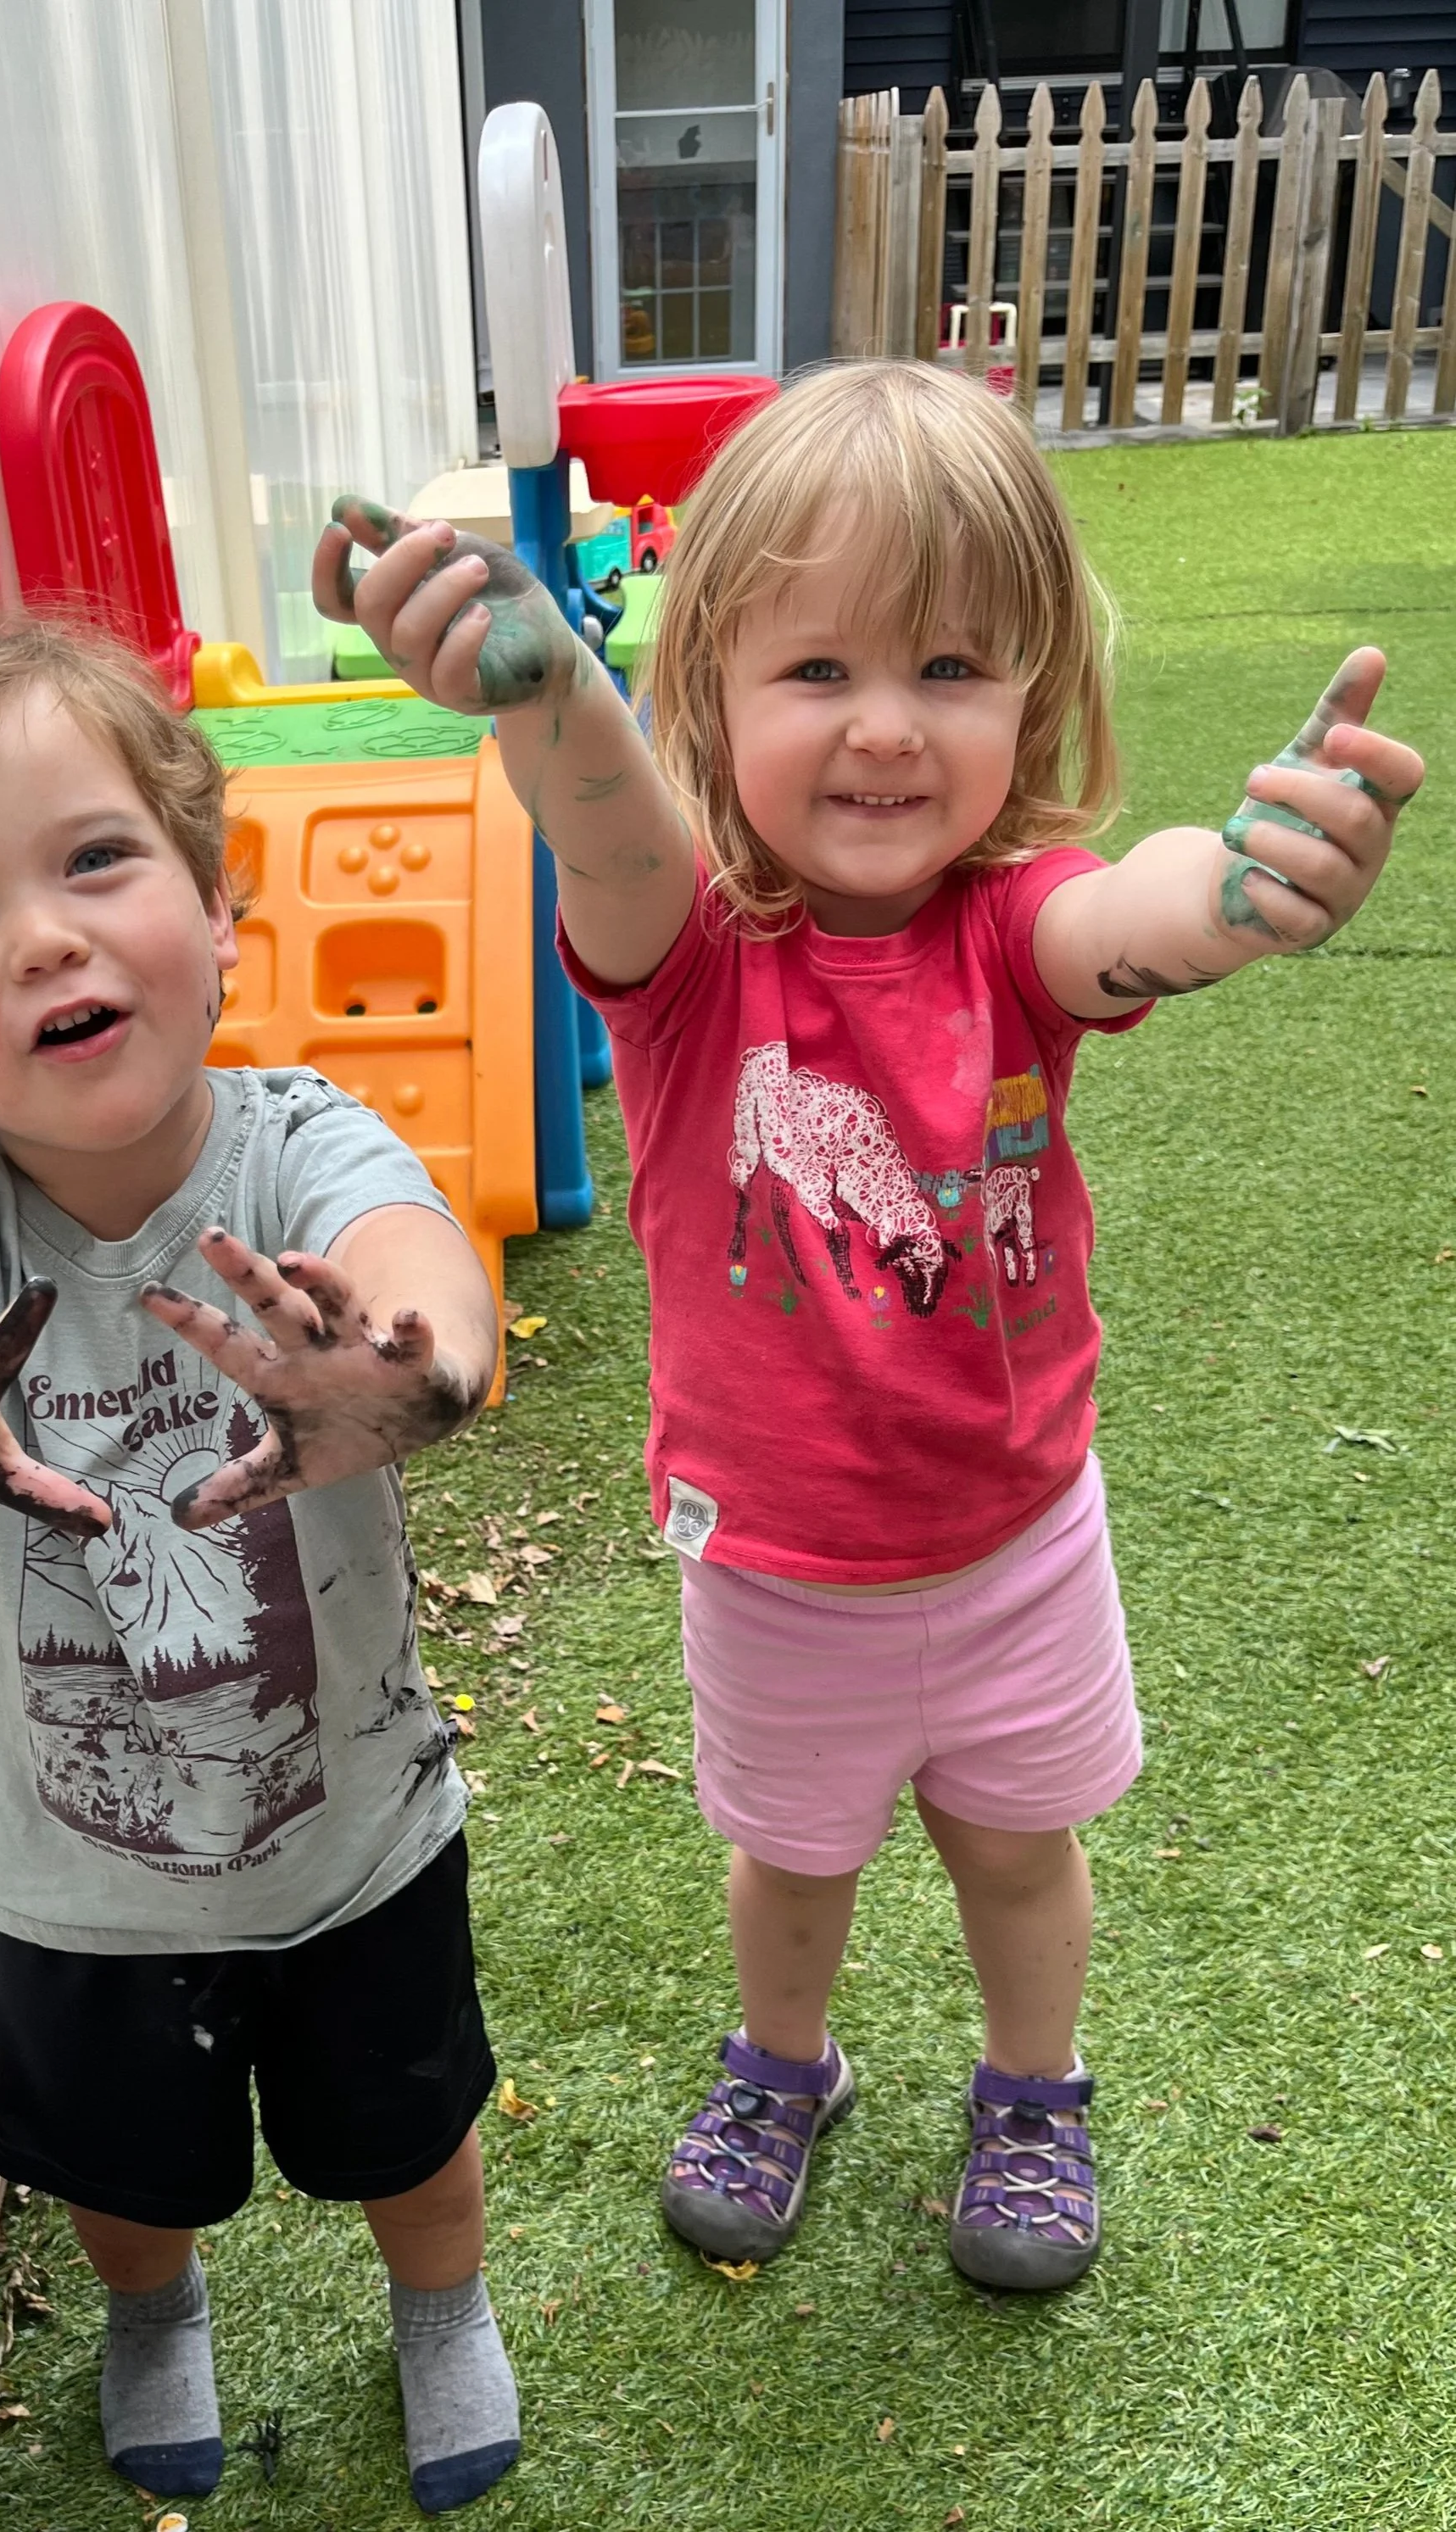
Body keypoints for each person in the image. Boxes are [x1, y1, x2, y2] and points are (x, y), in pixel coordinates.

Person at [314, 361, 1423, 2290]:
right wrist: (542, 683)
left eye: (951, 667)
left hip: (1011, 1539)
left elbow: (1130, 912)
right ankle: (785, 2062)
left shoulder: (1014, 925)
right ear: (713, 689)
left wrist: (1241, 897)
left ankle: (1031, 2087)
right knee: (793, 1860)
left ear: (1036, 696)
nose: (886, 729)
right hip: (772, 1561)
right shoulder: (683, 953)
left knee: (1015, 1847)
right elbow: (607, 823)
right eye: (815, 672)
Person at [0, 621, 519, 2513]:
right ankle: (156, 2311)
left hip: (354, 1835)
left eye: (94, 859)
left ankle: (440, 2313)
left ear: (219, 907)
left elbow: (427, 1272)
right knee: (116, 2177)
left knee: (412, 2137)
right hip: (66, 1881)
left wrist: (400, 1377)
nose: (39, 935)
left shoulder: (294, 1143)